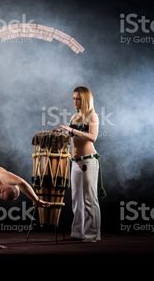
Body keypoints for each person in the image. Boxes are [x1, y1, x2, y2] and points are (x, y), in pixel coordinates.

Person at [59, 86, 103, 243]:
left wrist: (72, 131)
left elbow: (93, 137)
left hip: (88, 160)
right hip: (75, 161)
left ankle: (92, 234)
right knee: (76, 199)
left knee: (90, 198)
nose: (75, 101)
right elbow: (72, 137)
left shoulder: (92, 116)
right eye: (73, 98)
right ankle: (78, 232)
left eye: (78, 98)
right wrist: (63, 133)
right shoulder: (75, 117)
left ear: (85, 100)